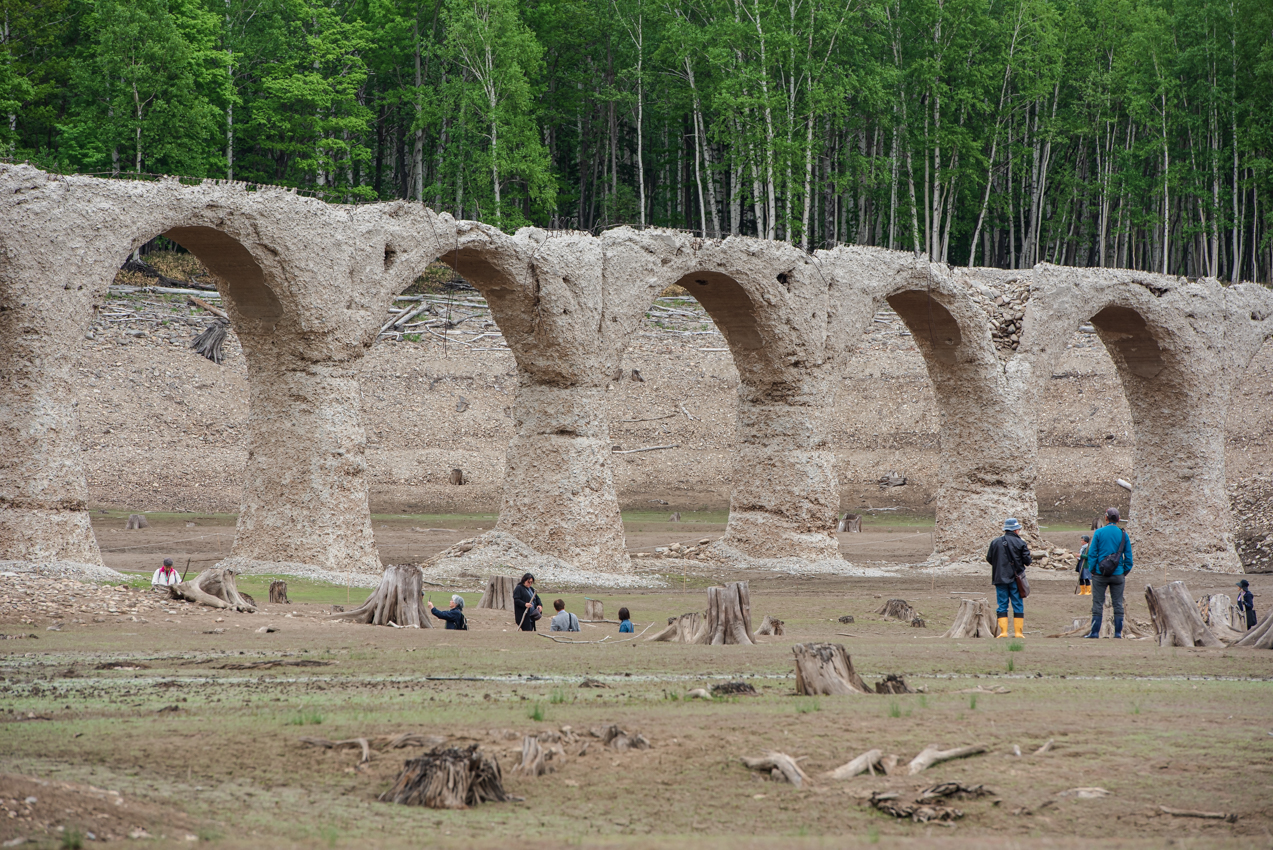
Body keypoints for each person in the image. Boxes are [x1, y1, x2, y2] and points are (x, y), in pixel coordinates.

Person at [1085, 507, 1133, 639]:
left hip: (1100, 574)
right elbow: (1128, 558)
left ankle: (1094, 632)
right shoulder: (1123, 535)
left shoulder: (1099, 533)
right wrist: (1124, 572)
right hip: (1118, 574)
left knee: (1097, 603)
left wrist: (1093, 570)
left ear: (1106, 518)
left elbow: (1092, 553)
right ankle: (1118, 633)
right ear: (1118, 519)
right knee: (1118, 603)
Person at [986, 517, 1031, 639]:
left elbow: (989, 559)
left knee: (1002, 604)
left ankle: (1003, 632)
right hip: (1016, 579)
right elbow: (1028, 561)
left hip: (999, 578)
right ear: (1016, 530)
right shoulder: (1021, 543)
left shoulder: (995, 542)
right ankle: (1018, 633)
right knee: (1017, 603)